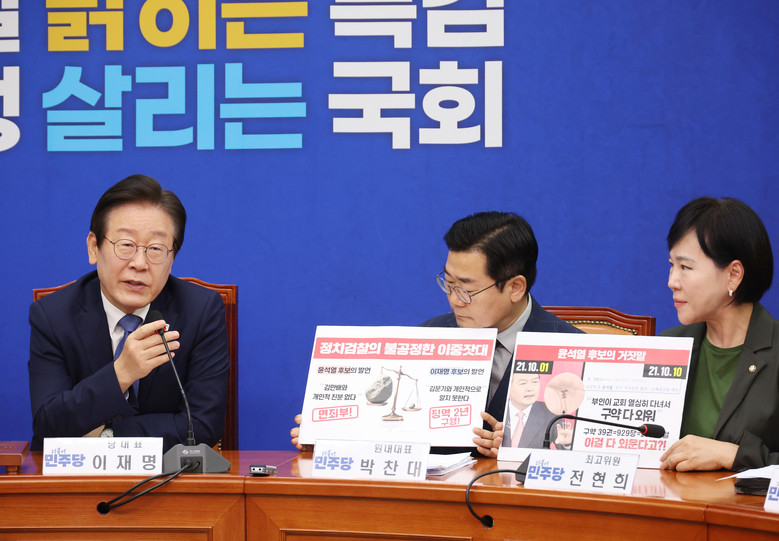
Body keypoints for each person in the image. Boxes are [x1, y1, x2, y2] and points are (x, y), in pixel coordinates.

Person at [290, 211, 582, 456]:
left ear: (515, 287)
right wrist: (330, 439)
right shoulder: (428, 337)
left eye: (466, 290)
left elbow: (584, 454)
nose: (454, 300)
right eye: (449, 283)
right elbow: (388, 433)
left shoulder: (574, 352)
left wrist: (517, 454)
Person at [28, 174, 230, 452]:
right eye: (126, 245)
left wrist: (106, 436)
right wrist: (121, 373)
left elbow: (203, 426)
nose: (139, 263)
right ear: (94, 248)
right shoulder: (53, 316)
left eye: (156, 249)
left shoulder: (200, 311)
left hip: (170, 476)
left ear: (172, 258)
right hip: (78, 477)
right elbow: (48, 425)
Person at [659, 197, 779, 471]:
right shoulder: (667, 346)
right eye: (671, 265)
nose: (672, 281)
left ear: (733, 275)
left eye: (685, 267)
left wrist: (734, 455)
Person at [502, 372, 572, 449]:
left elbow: (563, 447)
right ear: (508, 386)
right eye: (523, 383)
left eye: (535, 382)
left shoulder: (551, 413)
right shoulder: (498, 409)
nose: (530, 388)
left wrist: (566, 444)